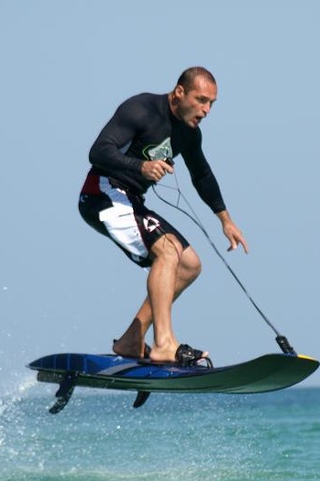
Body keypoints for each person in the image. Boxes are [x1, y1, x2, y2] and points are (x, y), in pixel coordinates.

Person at [78, 66, 248, 366]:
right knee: (168, 250)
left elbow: (202, 175)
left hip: (131, 201)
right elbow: (98, 151)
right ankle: (164, 344)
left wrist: (225, 219)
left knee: (189, 264)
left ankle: (132, 339)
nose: (206, 110)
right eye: (201, 100)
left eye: (211, 103)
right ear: (179, 92)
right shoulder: (140, 109)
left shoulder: (189, 133)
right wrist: (141, 167)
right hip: (102, 195)